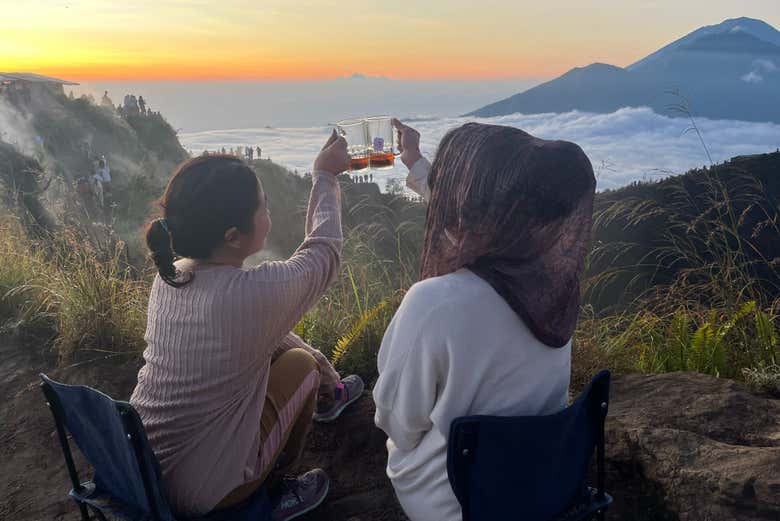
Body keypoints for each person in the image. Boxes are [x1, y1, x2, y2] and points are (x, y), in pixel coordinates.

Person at [130, 134, 365, 521]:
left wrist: (328, 369)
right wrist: (324, 176)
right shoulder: (245, 296)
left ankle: (327, 392)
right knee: (301, 366)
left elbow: (267, 333)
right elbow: (324, 252)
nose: (268, 212)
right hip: (208, 490)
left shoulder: (172, 276)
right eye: (264, 205)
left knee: (303, 358)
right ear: (232, 237)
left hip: (145, 468)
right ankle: (274, 490)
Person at [373, 119, 596, 521]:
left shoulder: (433, 304)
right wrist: (416, 163)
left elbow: (399, 425)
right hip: (541, 482)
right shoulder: (551, 287)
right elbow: (483, 220)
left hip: (456, 502)